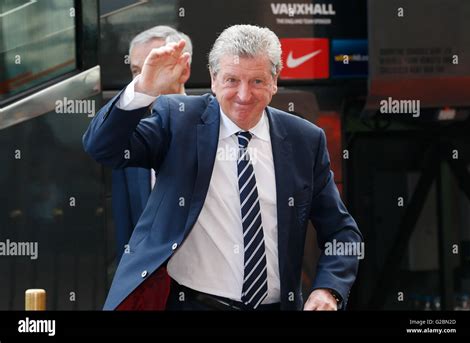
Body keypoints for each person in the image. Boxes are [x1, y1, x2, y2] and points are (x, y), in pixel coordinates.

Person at [84, 24, 363, 311]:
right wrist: (142, 89)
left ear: (274, 81)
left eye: (257, 81)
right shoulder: (178, 120)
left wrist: (329, 290)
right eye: (231, 80)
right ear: (214, 79)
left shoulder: (305, 139)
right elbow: (102, 147)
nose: (244, 95)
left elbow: (342, 233)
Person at [112, 26, 193, 263]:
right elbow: (126, 228)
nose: (142, 80)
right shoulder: (129, 137)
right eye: (136, 70)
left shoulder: (217, 126)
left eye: (153, 68)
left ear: (184, 71)